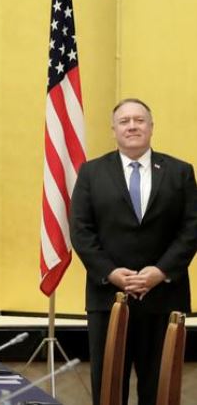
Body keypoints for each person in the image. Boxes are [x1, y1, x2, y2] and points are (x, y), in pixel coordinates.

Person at [71, 98, 197, 405]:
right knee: (109, 387)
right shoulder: (91, 172)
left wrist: (161, 271)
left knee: (160, 388)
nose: (132, 126)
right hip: (109, 299)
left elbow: (191, 228)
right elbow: (81, 230)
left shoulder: (180, 172)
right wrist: (111, 273)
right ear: (113, 129)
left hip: (164, 297)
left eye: (139, 120)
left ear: (151, 127)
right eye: (124, 121)